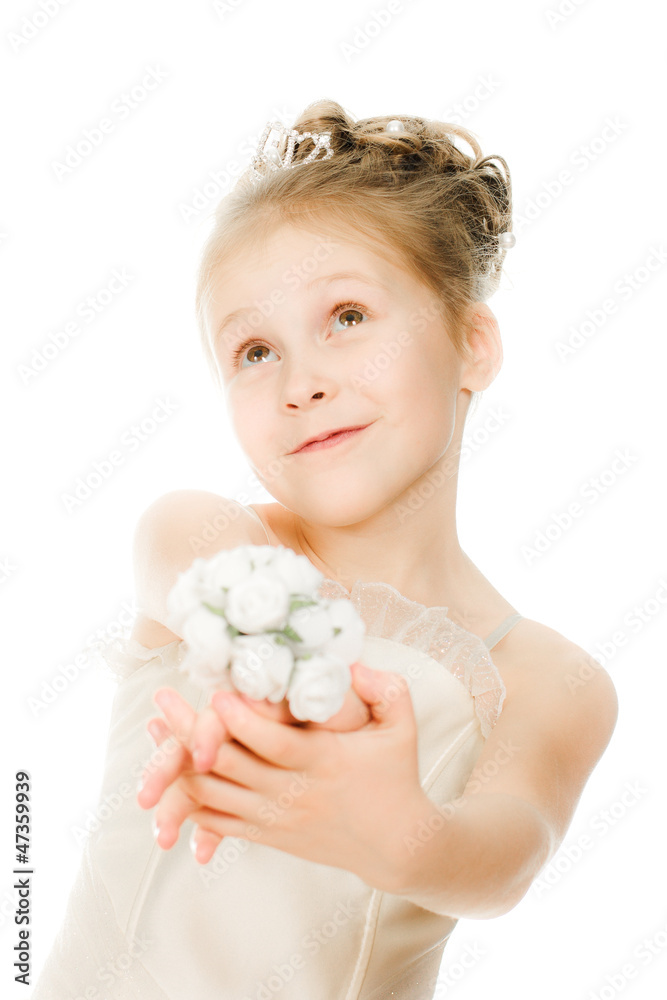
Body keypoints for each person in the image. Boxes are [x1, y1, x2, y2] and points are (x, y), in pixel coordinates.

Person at [32, 99, 618, 1000]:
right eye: (255, 350)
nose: (301, 383)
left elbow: (508, 855)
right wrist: (302, 695)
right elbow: (225, 588)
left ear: (471, 343)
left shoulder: (549, 678)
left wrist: (402, 834)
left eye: (346, 316)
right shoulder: (205, 533)